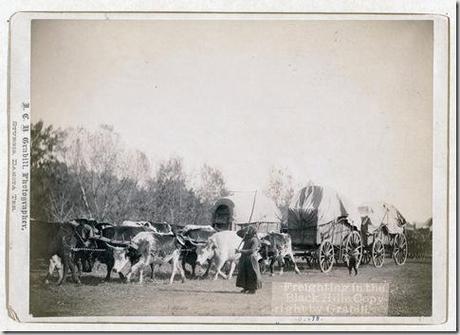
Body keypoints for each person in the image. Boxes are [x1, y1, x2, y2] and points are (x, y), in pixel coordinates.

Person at [235, 225, 262, 294]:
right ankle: (246, 287)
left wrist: (240, 251)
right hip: (244, 258)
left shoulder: (255, 240)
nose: (247, 232)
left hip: (251, 258)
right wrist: (245, 229)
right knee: (244, 273)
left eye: (249, 230)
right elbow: (238, 233)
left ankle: (253, 289)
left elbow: (252, 250)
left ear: (252, 232)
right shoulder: (247, 238)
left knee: (251, 274)